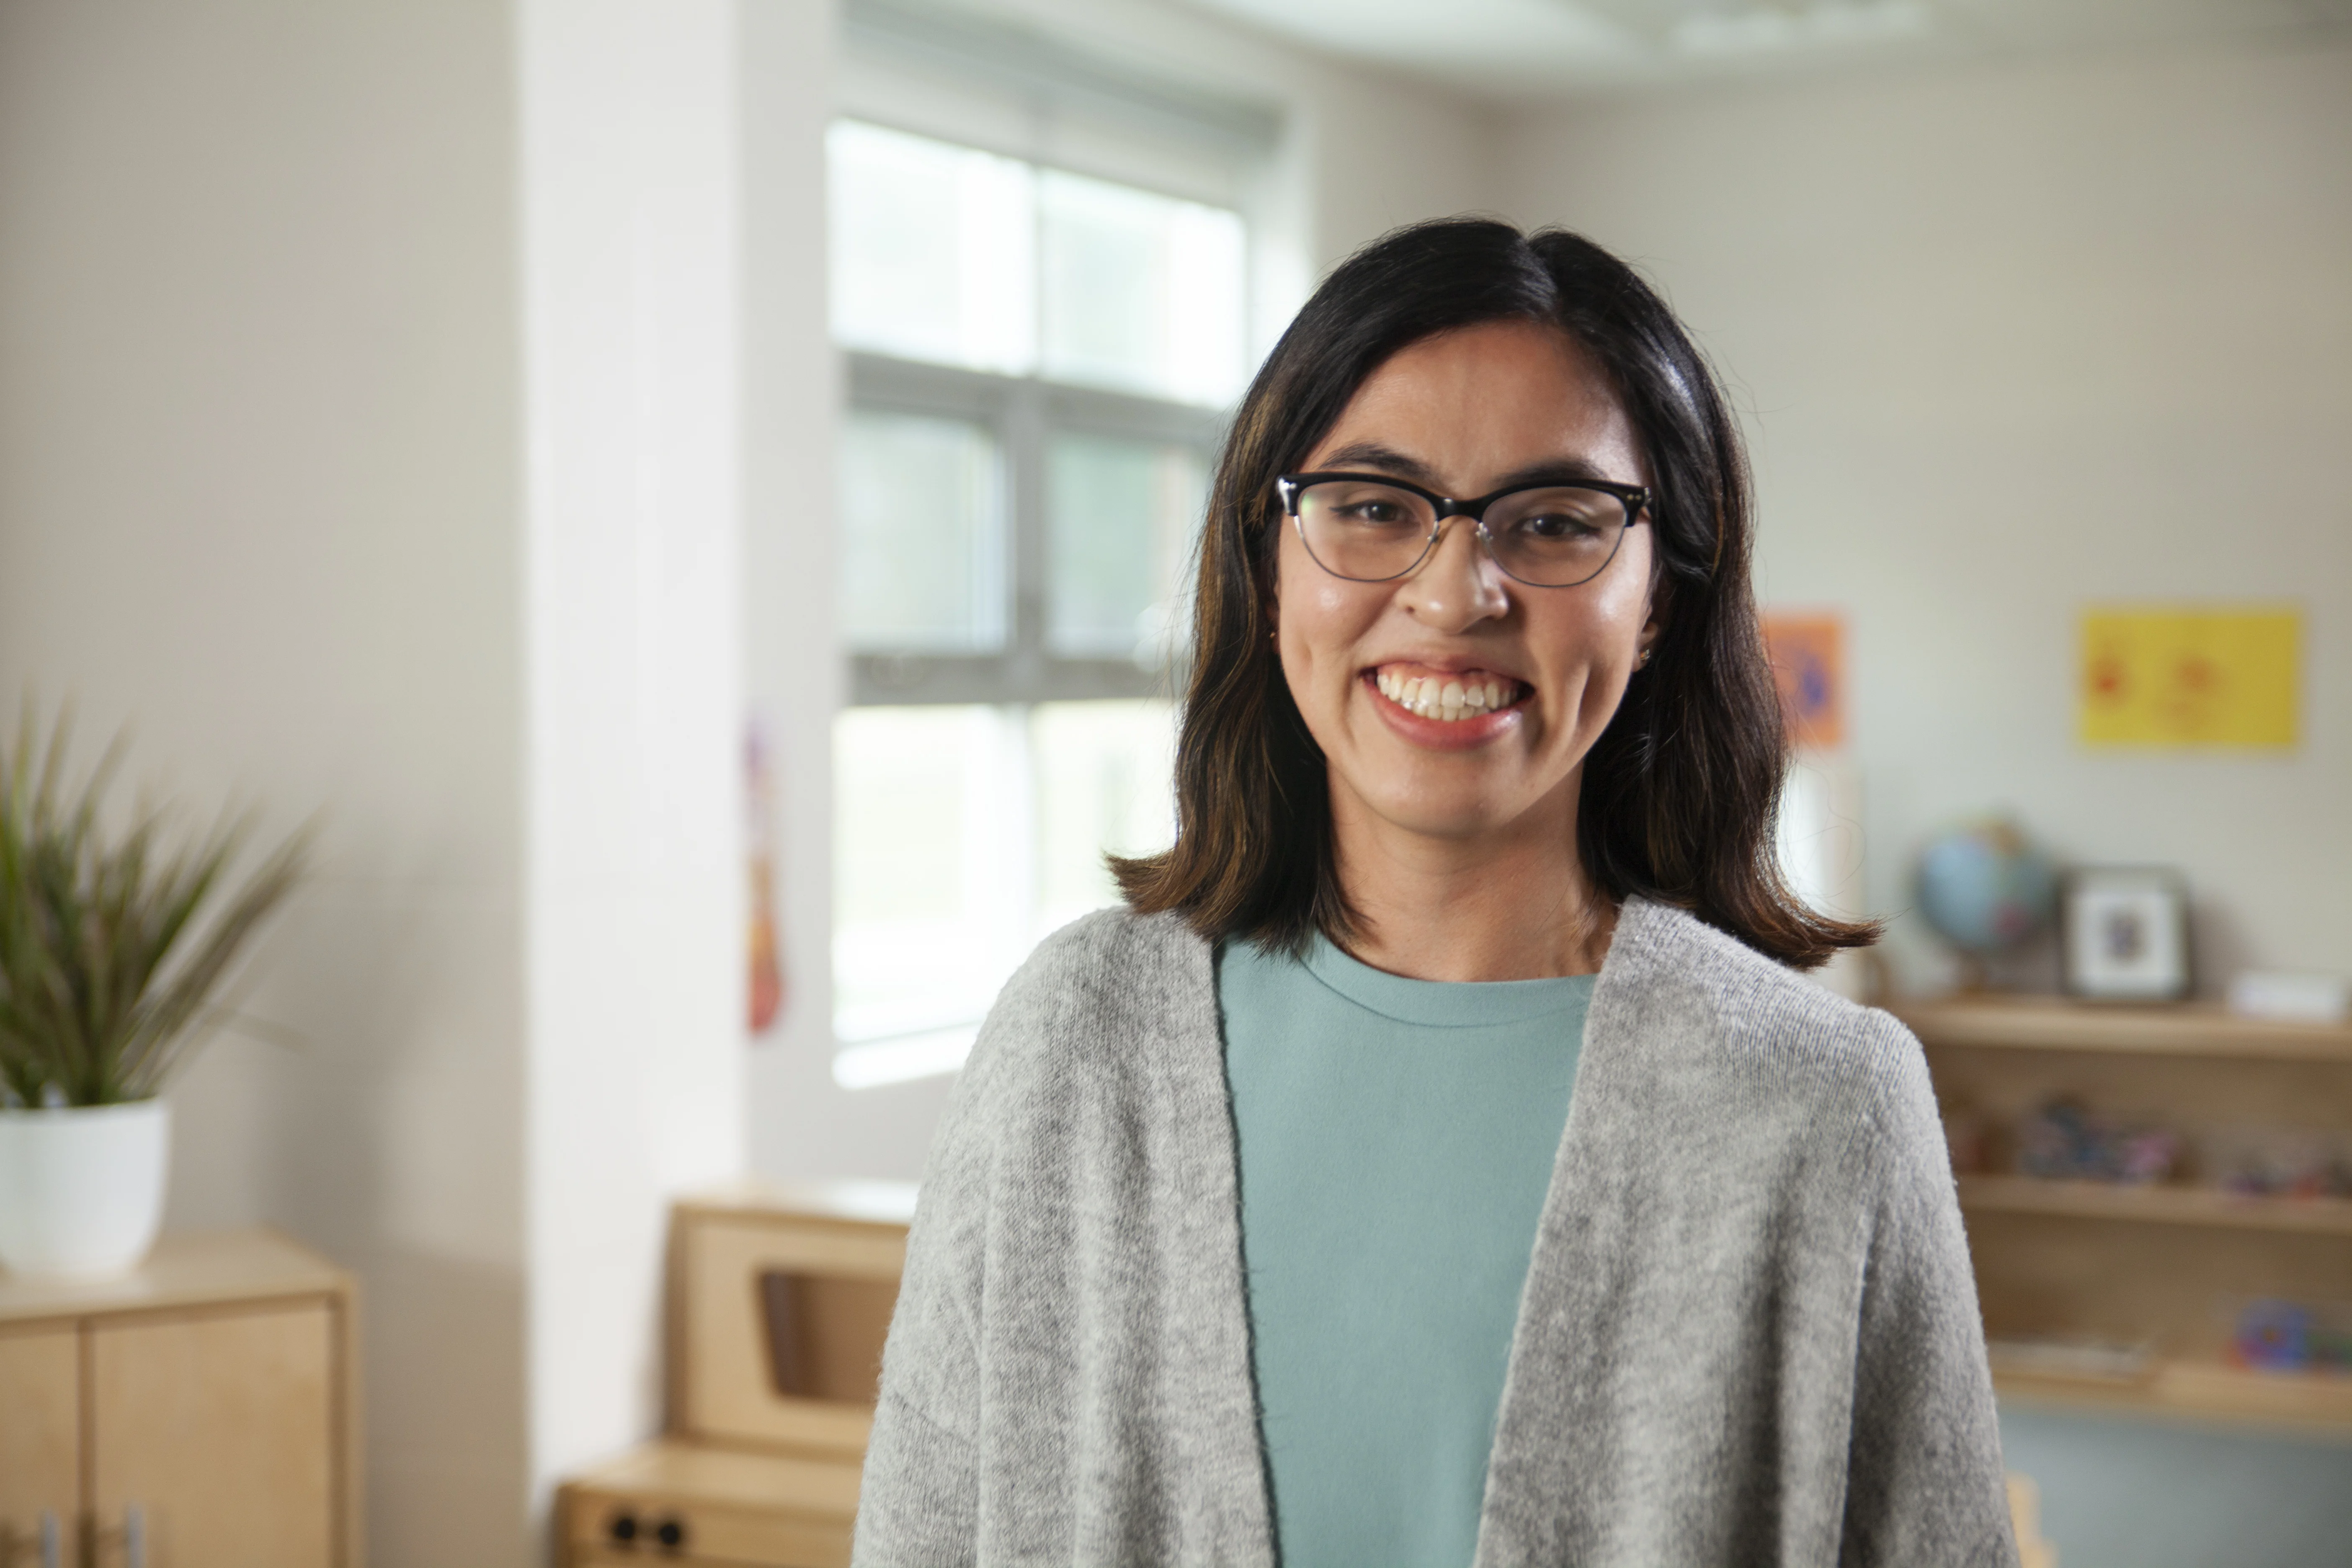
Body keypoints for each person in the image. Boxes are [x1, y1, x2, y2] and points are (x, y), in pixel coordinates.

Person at [853, 219, 2017, 1568]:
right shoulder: (1073, 1045)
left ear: (1658, 604)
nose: (1457, 593)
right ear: (1270, 557)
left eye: (1558, 523)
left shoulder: (1826, 1104)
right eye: (1371, 506)